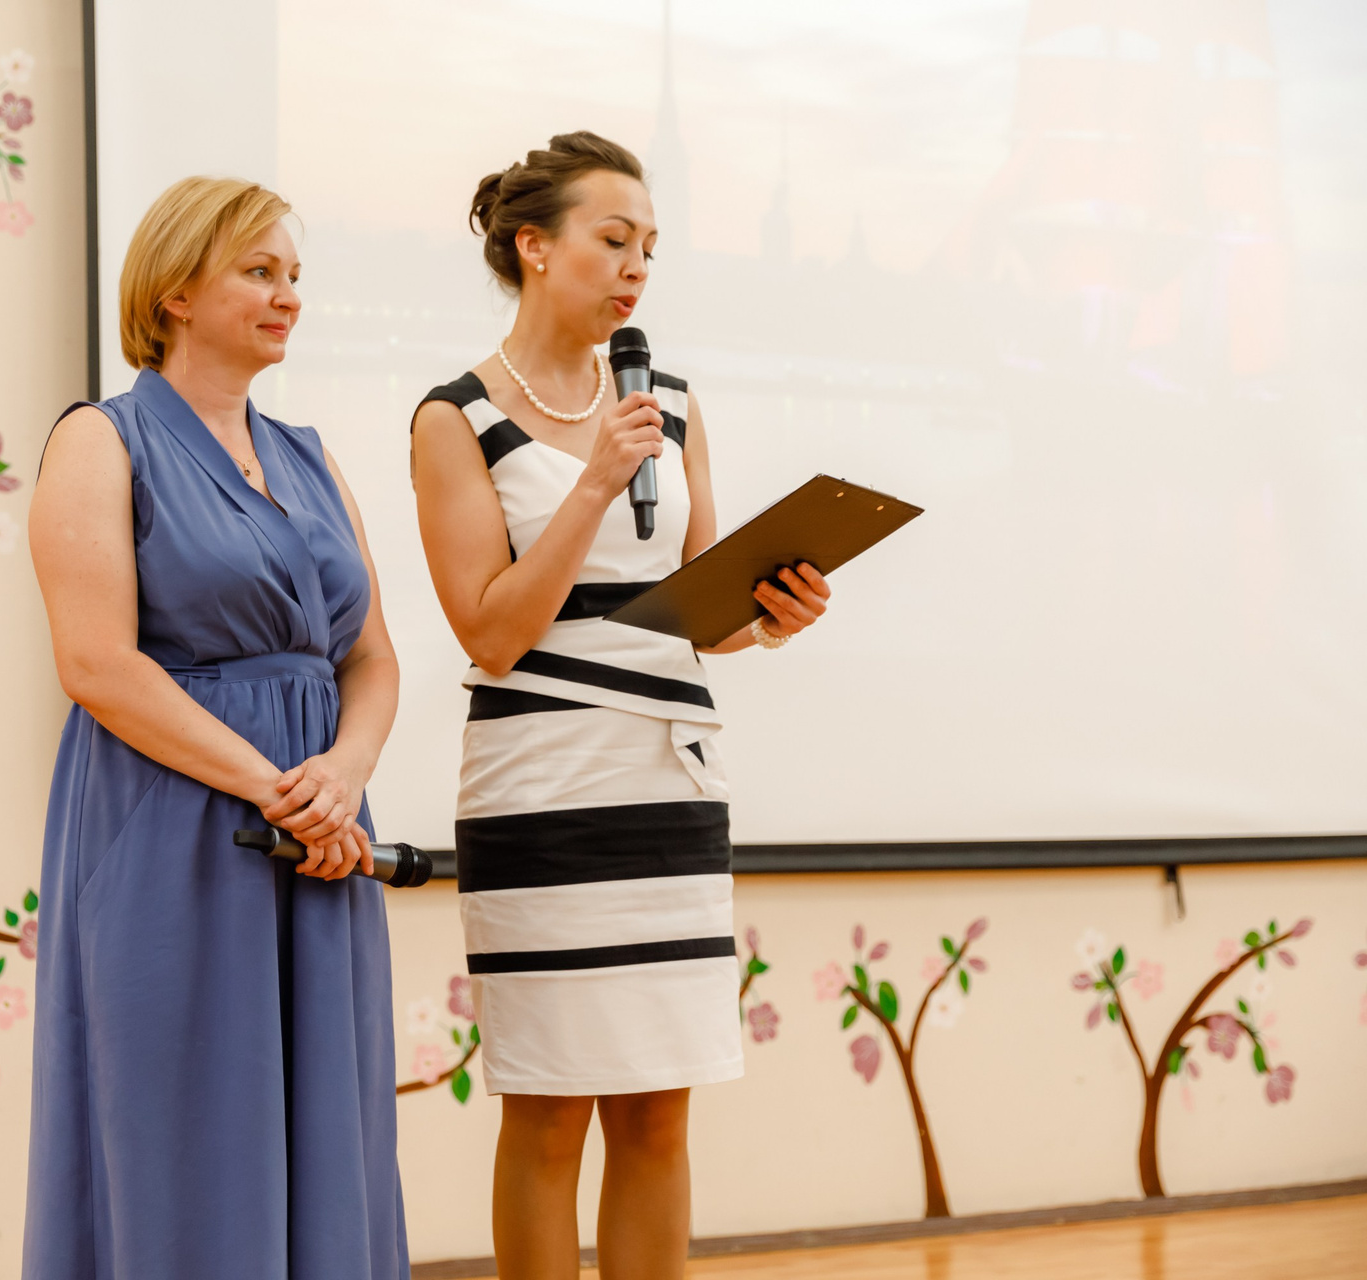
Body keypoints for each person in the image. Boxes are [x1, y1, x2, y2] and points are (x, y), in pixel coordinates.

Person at [410, 132, 834, 1279]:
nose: (637, 266)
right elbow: (491, 632)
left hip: (668, 781)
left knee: (658, 1110)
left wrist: (771, 613)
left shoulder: (673, 403)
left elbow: (698, 609)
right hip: (542, 788)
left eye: (649, 245)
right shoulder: (454, 417)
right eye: (613, 239)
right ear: (535, 245)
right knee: (549, 1109)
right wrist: (596, 479)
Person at [24, 176, 407, 1279]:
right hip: (177, 832)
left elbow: (371, 656)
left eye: (295, 275)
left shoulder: (311, 455)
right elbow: (96, 665)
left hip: (322, 830)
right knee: (184, 1133)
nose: (288, 296)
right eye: (260, 271)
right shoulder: (100, 439)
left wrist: (342, 773)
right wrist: (275, 786)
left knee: (333, 1132)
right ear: (177, 291)